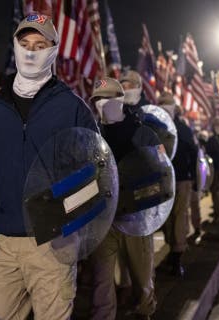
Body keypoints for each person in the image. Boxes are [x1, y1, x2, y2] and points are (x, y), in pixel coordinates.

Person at [0, 15, 98, 319]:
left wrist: (67, 224)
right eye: (24, 44)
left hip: (53, 243)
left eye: (40, 44)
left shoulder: (72, 107)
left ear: (53, 50)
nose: (31, 51)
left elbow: (95, 174)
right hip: (4, 243)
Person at [88, 77, 159, 320]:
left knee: (142, 275)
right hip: (103, 217)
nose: (101, 103)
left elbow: (159, 173)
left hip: (135, 217)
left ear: (120, 100)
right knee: (102, 277)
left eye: (107, 98)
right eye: (97, 99)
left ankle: (145, 312)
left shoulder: (142, 132)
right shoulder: (91, 134)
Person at [158, 92, 197, 277]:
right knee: (168, 217)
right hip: (165, 178)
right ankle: (174, 249)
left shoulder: (182, 128)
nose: (165, 106)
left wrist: (193, 178)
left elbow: (194, 153)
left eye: (168, 104)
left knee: (178, 215)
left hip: (181, 178)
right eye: (162, 103)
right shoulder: (157, 126)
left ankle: (177, 254)